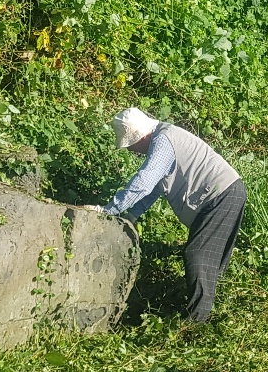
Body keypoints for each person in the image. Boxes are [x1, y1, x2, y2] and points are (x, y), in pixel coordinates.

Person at [96, 107, 246, 324]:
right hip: (227, 192)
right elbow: (155, 188)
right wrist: (131, 215)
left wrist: (110, 210)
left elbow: (145, 182)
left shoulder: (164, 141)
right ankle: (212, 314)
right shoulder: (165, 138)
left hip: (220, 194)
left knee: (198, 255)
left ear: (140, 136)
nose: (131, 150)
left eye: (131, 144)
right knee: (211, 261)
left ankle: (195, 323)